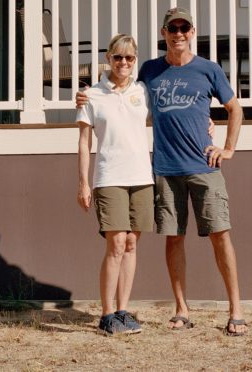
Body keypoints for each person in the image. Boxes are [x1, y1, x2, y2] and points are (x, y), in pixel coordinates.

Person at [80, 7, 247, 336]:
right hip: (165, 169)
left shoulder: (208, 69)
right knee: (174, 238)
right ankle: (182, 309)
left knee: (220, 235)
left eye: (184, 27)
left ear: (192, 31)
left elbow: (235, 109)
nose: (179, 33)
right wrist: (86, 95)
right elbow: (121, 92)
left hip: (204, 166)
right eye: (173, 28)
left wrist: (227, 148)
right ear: (164, 33)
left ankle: (236, 309)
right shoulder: (150, 72)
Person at [77, 33, 152, 336]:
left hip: (142, 177)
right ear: (108, 58)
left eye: (130, 58)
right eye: (118, 57)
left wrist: (207, 123)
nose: (123, 63)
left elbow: (171, 116)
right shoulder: (92, 95)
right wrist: (84, 183)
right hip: (110, 178)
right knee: (116, 244)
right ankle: (107, 314)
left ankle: (123, 310)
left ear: (135, 61)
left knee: (132, 244)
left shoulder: (143, 91)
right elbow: (84, 143)